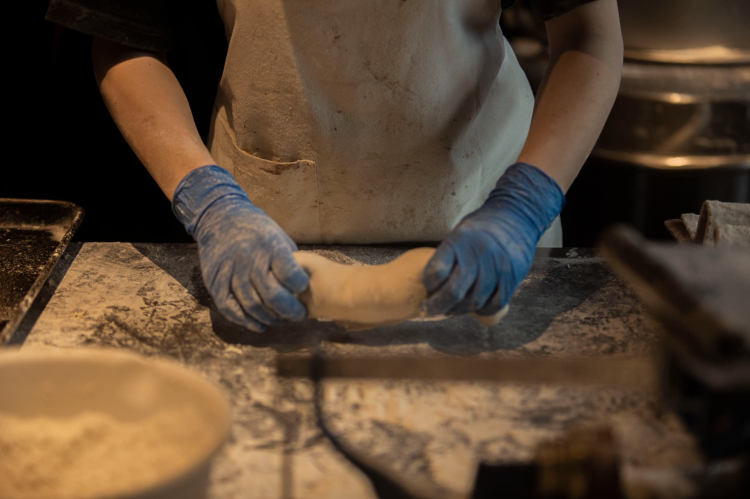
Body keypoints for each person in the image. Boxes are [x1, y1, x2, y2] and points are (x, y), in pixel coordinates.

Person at [46, 0, 623, 332]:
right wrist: (208, 199)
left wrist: (523, 204)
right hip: (268, 222)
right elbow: (126, 38)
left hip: (481, 199)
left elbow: (588, 34)